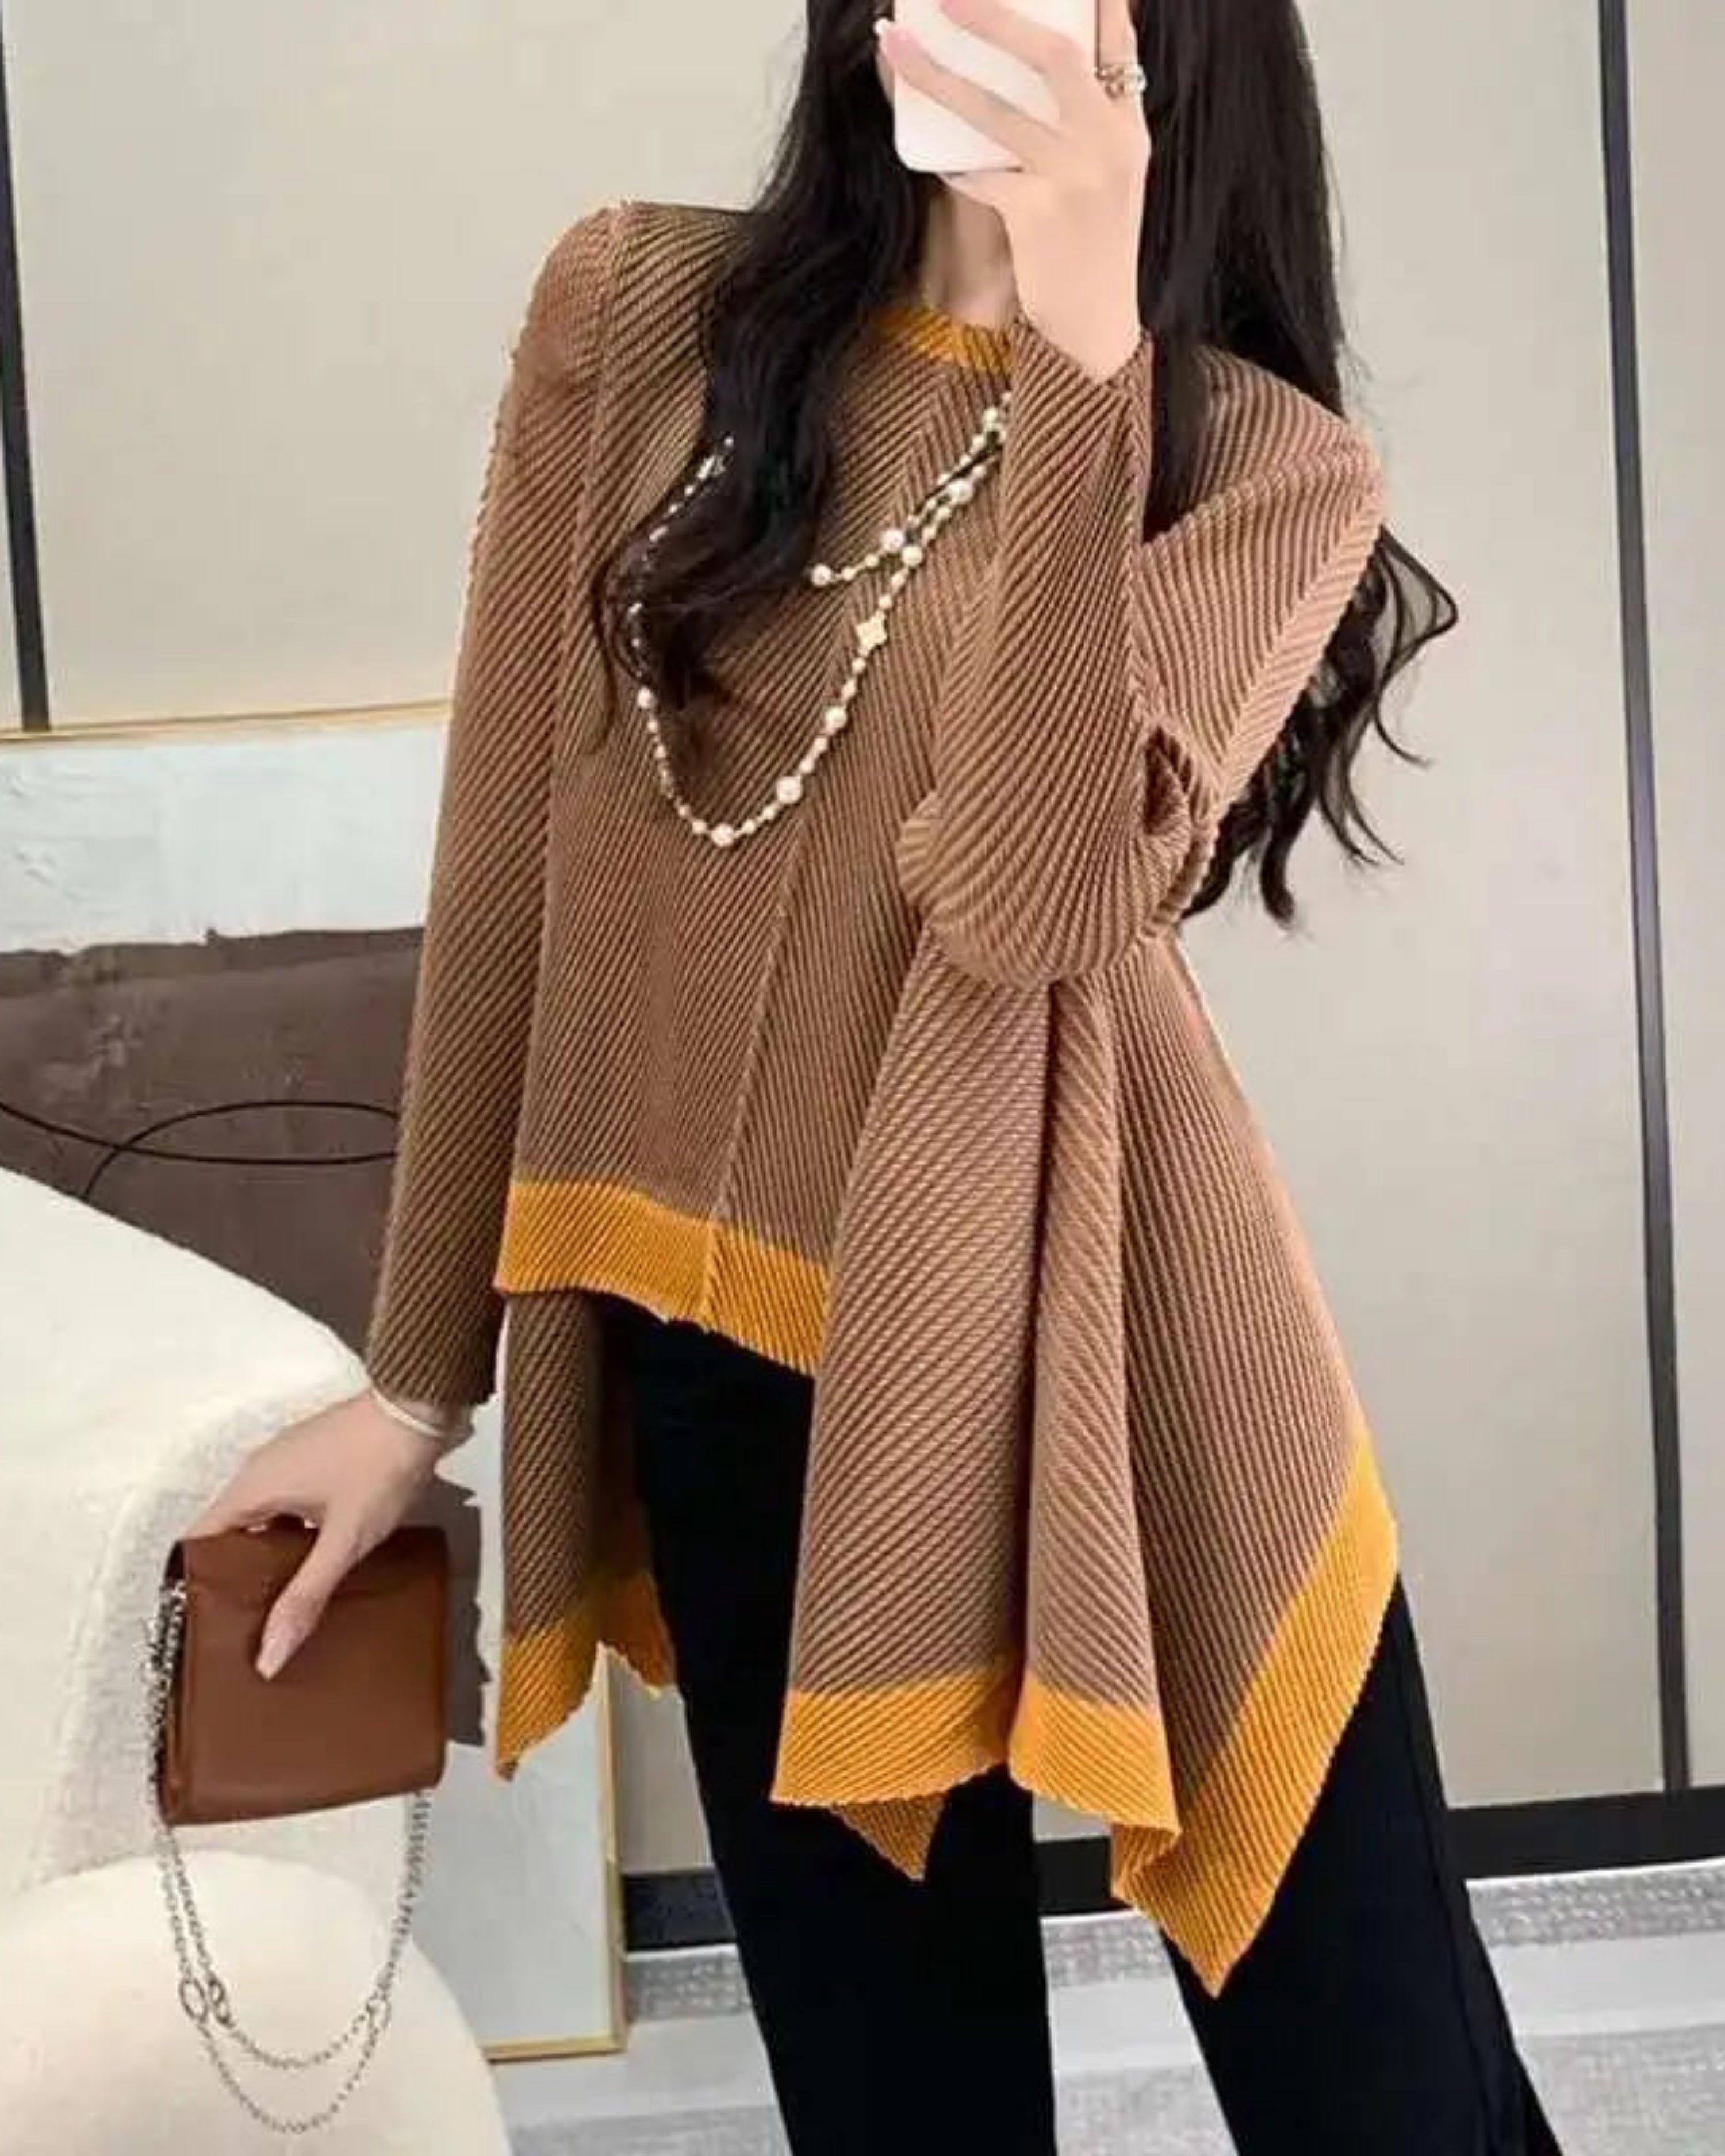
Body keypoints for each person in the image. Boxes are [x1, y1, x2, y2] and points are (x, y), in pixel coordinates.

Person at [193, 1, 1565, 2148]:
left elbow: (1029, 897)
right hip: (752, 1369)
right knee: (896, 2109)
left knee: (1388, 2102)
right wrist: (415, 1381)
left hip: (1141, 1349)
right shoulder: (635, 311)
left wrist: (1086, 359)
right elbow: (508, 867)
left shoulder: (1264, 464)